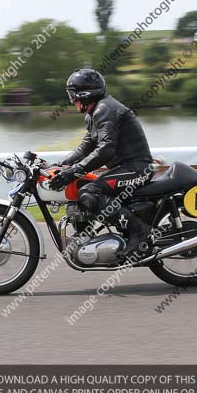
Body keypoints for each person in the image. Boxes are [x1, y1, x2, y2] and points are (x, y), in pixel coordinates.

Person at [48, 69, 153, 258]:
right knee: (83, 185)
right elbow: (85, 148)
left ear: (85, 94)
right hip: (126, 169)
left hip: (137, 169)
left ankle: (140, 233)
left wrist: (73, 171)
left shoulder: (105, 110)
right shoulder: (94, 113)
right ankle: (85, 234)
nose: (71, 99)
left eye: (73, 94)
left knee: (89, 192)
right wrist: (59, 166)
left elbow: (106, 150)